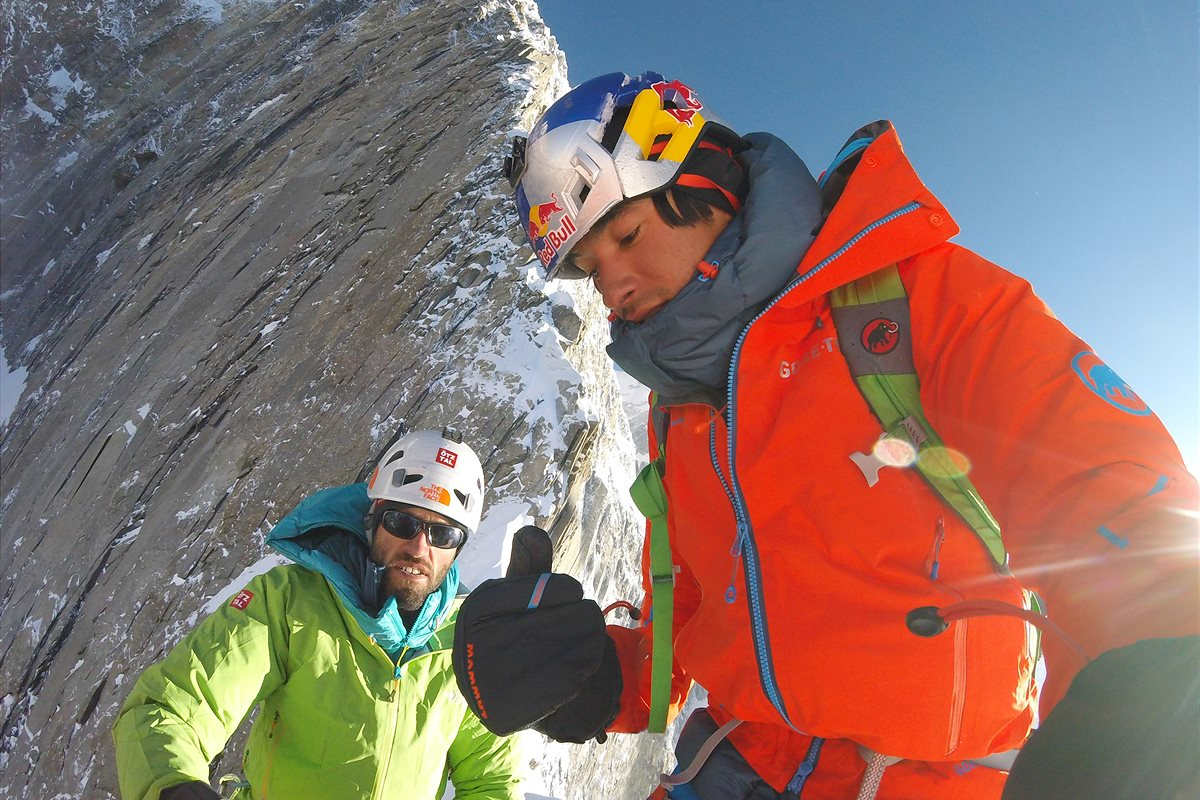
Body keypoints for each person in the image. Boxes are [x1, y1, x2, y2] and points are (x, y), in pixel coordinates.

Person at [462, 71, 1199, 799]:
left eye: (627, 234)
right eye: (591, 271)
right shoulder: (681, 407)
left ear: (710, 185)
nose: (615, 285)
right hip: (727, 765)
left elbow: (1112, 493)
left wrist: (1156, 681)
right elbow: (690, 613)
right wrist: (589, 678)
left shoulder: (919, 301)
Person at [113, 429, 520, 800]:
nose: (418, 548)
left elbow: (492, 781)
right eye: (402, 522)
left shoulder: (469, 642)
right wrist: (176, 788)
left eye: (442, 533)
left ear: (458, 548)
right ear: (373, 519)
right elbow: (169, 708)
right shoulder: (288, 604)